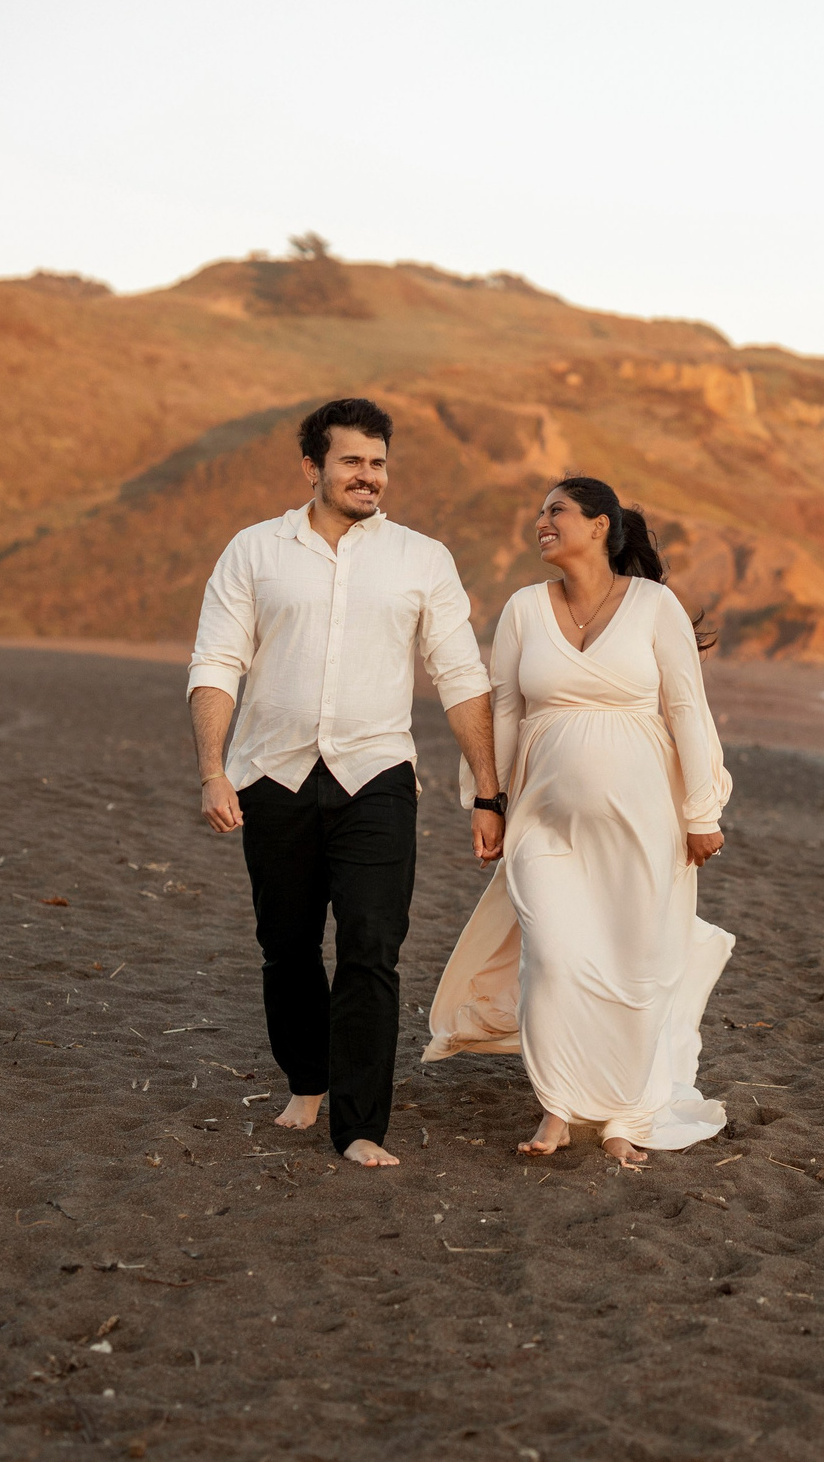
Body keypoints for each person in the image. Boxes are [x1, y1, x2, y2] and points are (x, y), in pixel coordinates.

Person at [186, 397, 506, 1170]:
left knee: (371, 945)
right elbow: (217, 660)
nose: (369, 476)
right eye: (353, 461)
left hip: (378, 777)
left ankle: (361, 1124)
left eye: (379, 462)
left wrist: (488, 789)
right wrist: (211, 769)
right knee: (287, 945)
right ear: (313, 467)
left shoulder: (421, 559)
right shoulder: (255, 551)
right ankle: (307, 1077)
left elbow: (459, 674)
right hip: (272, 773)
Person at [422, 477, 733, 1167]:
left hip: (644, 821)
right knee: (555, 959)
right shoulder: (525, 609)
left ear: (600, 524)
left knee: (634, 963)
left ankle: (623, 1112)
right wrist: (488, 797)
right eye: (540, 512)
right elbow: (503, 710)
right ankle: (559, 1105)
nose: (541, 522)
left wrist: (702, 809)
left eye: (555, 510)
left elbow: (687, 709)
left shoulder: (655, 606)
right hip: (543, 820)